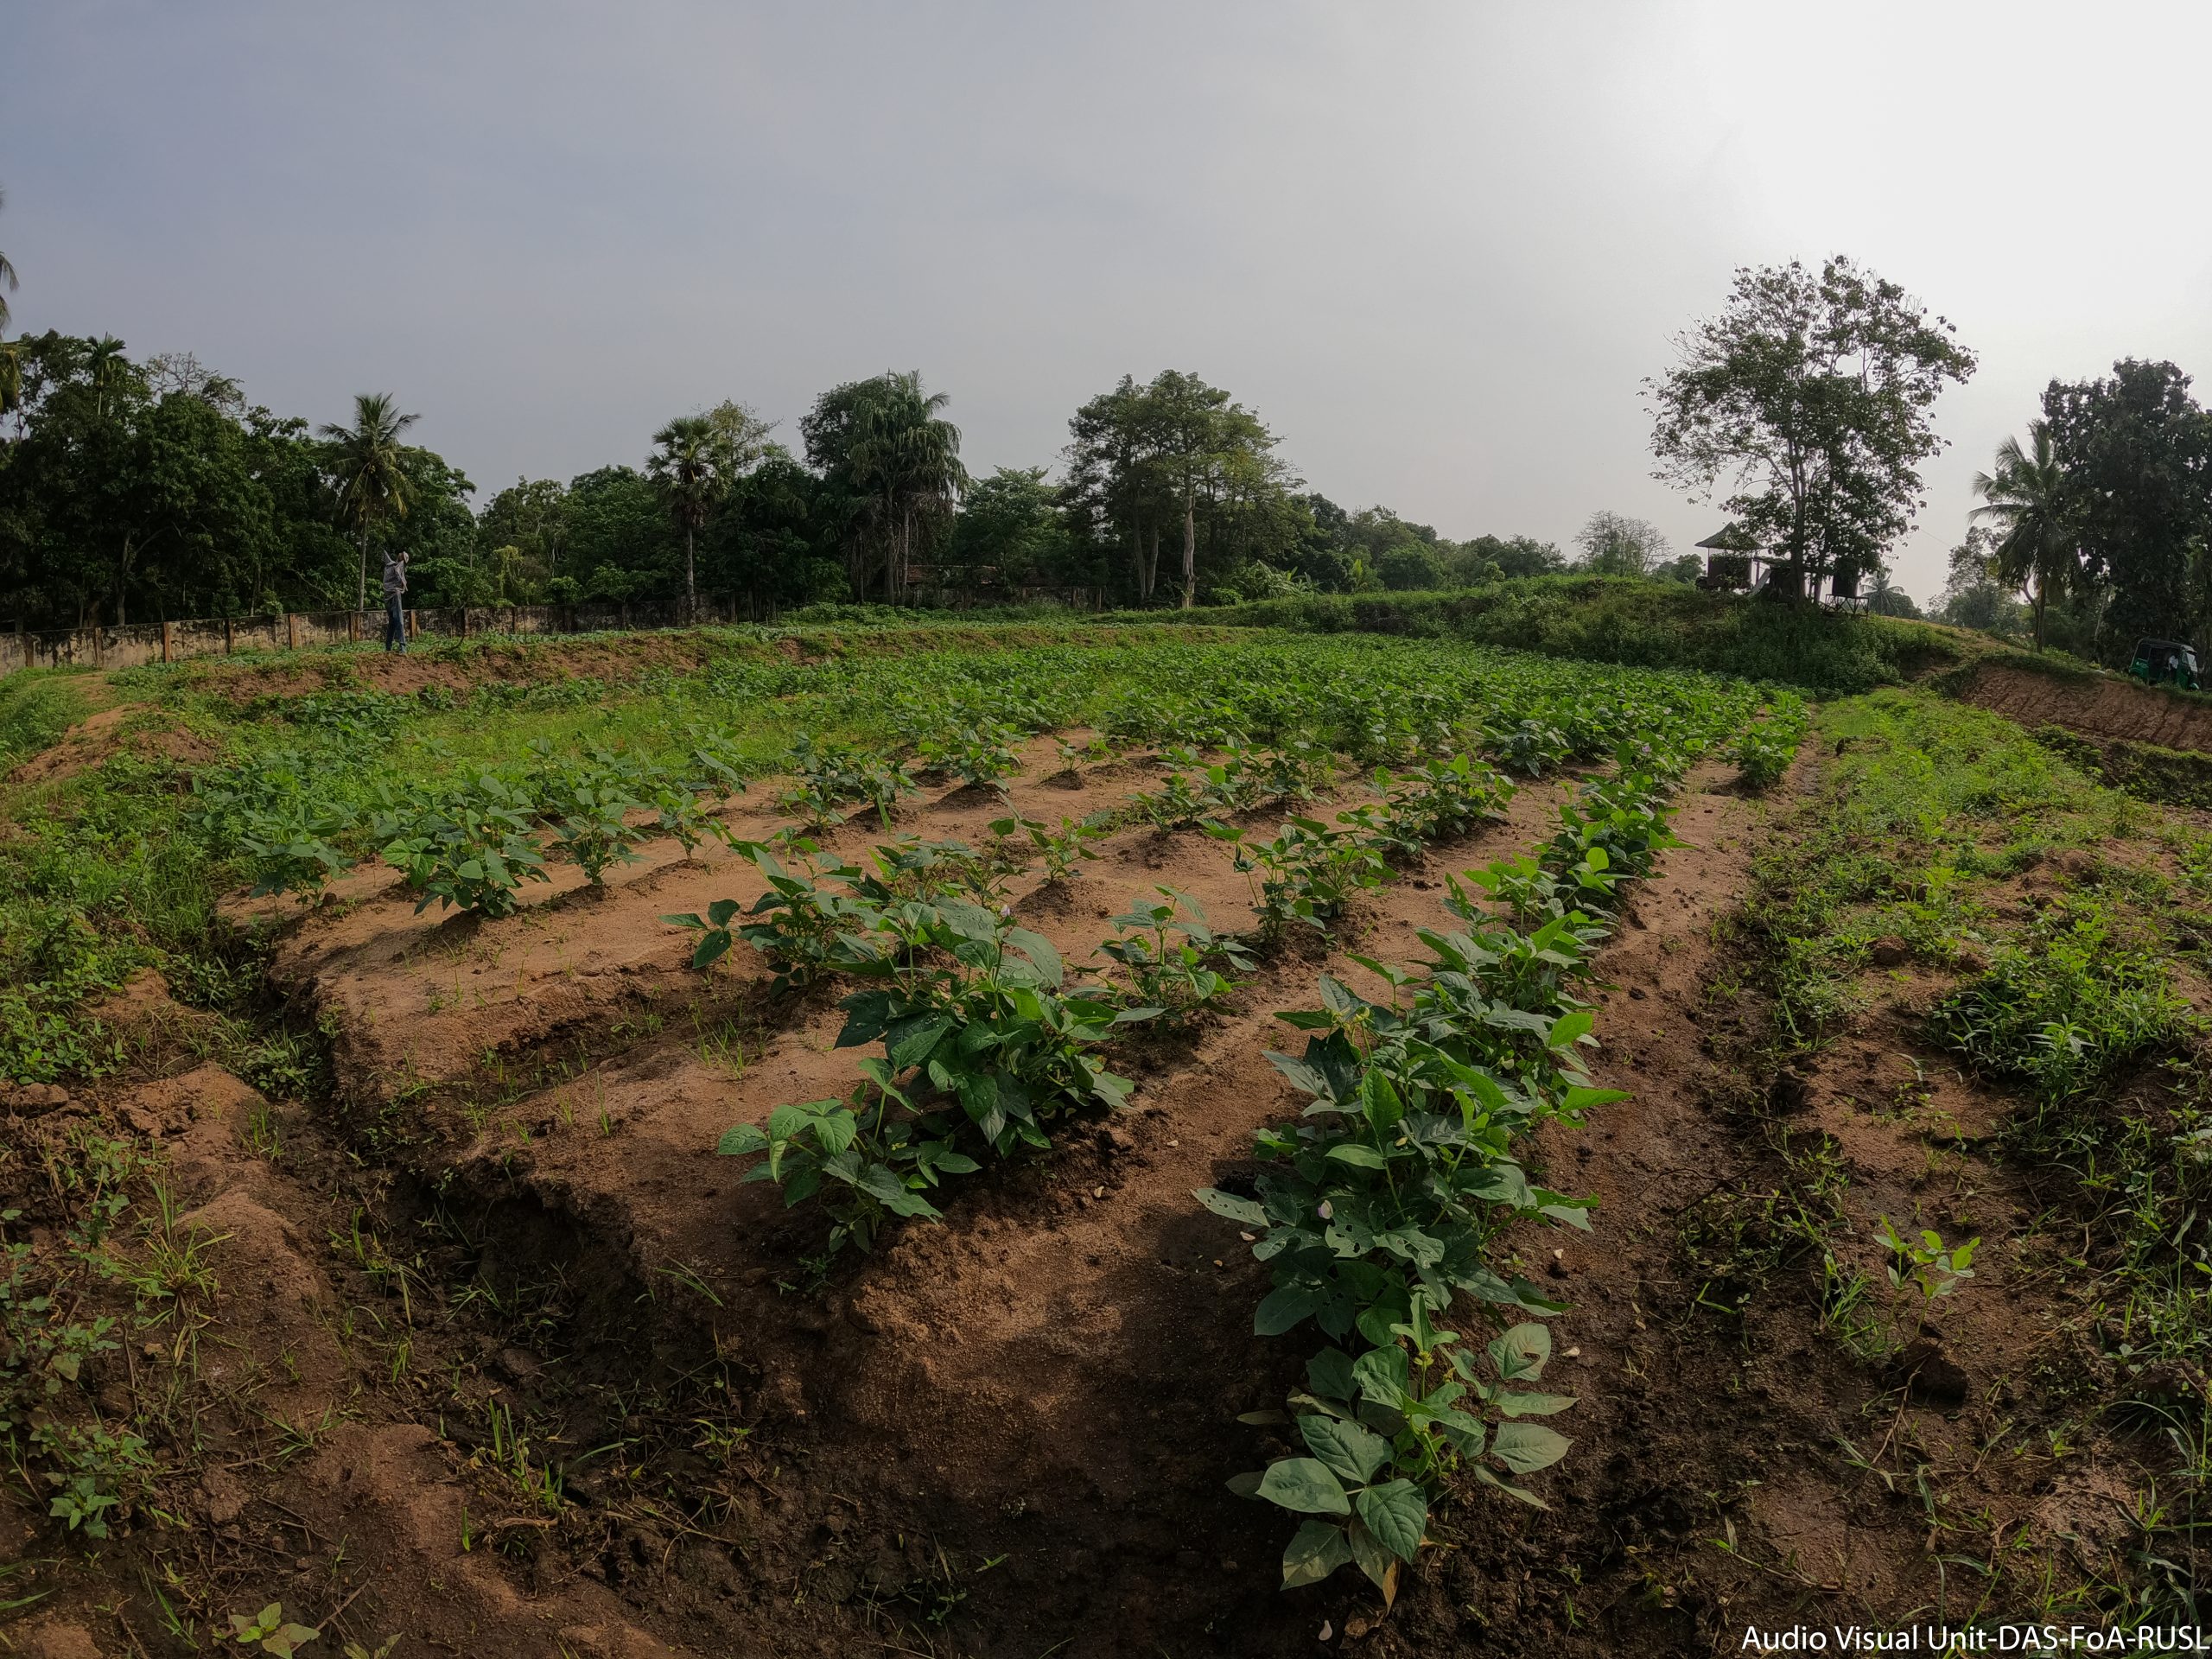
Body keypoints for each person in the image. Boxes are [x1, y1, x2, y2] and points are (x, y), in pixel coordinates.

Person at [380, 550, 409, 653]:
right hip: (388, 595)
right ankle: (389, 647)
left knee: (398, 620)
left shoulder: (398, 566)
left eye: (402, 555)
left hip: (393, 595)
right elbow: (385, 554)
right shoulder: (390, 564)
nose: (400, 554)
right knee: (393, 621)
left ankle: (402, 647)